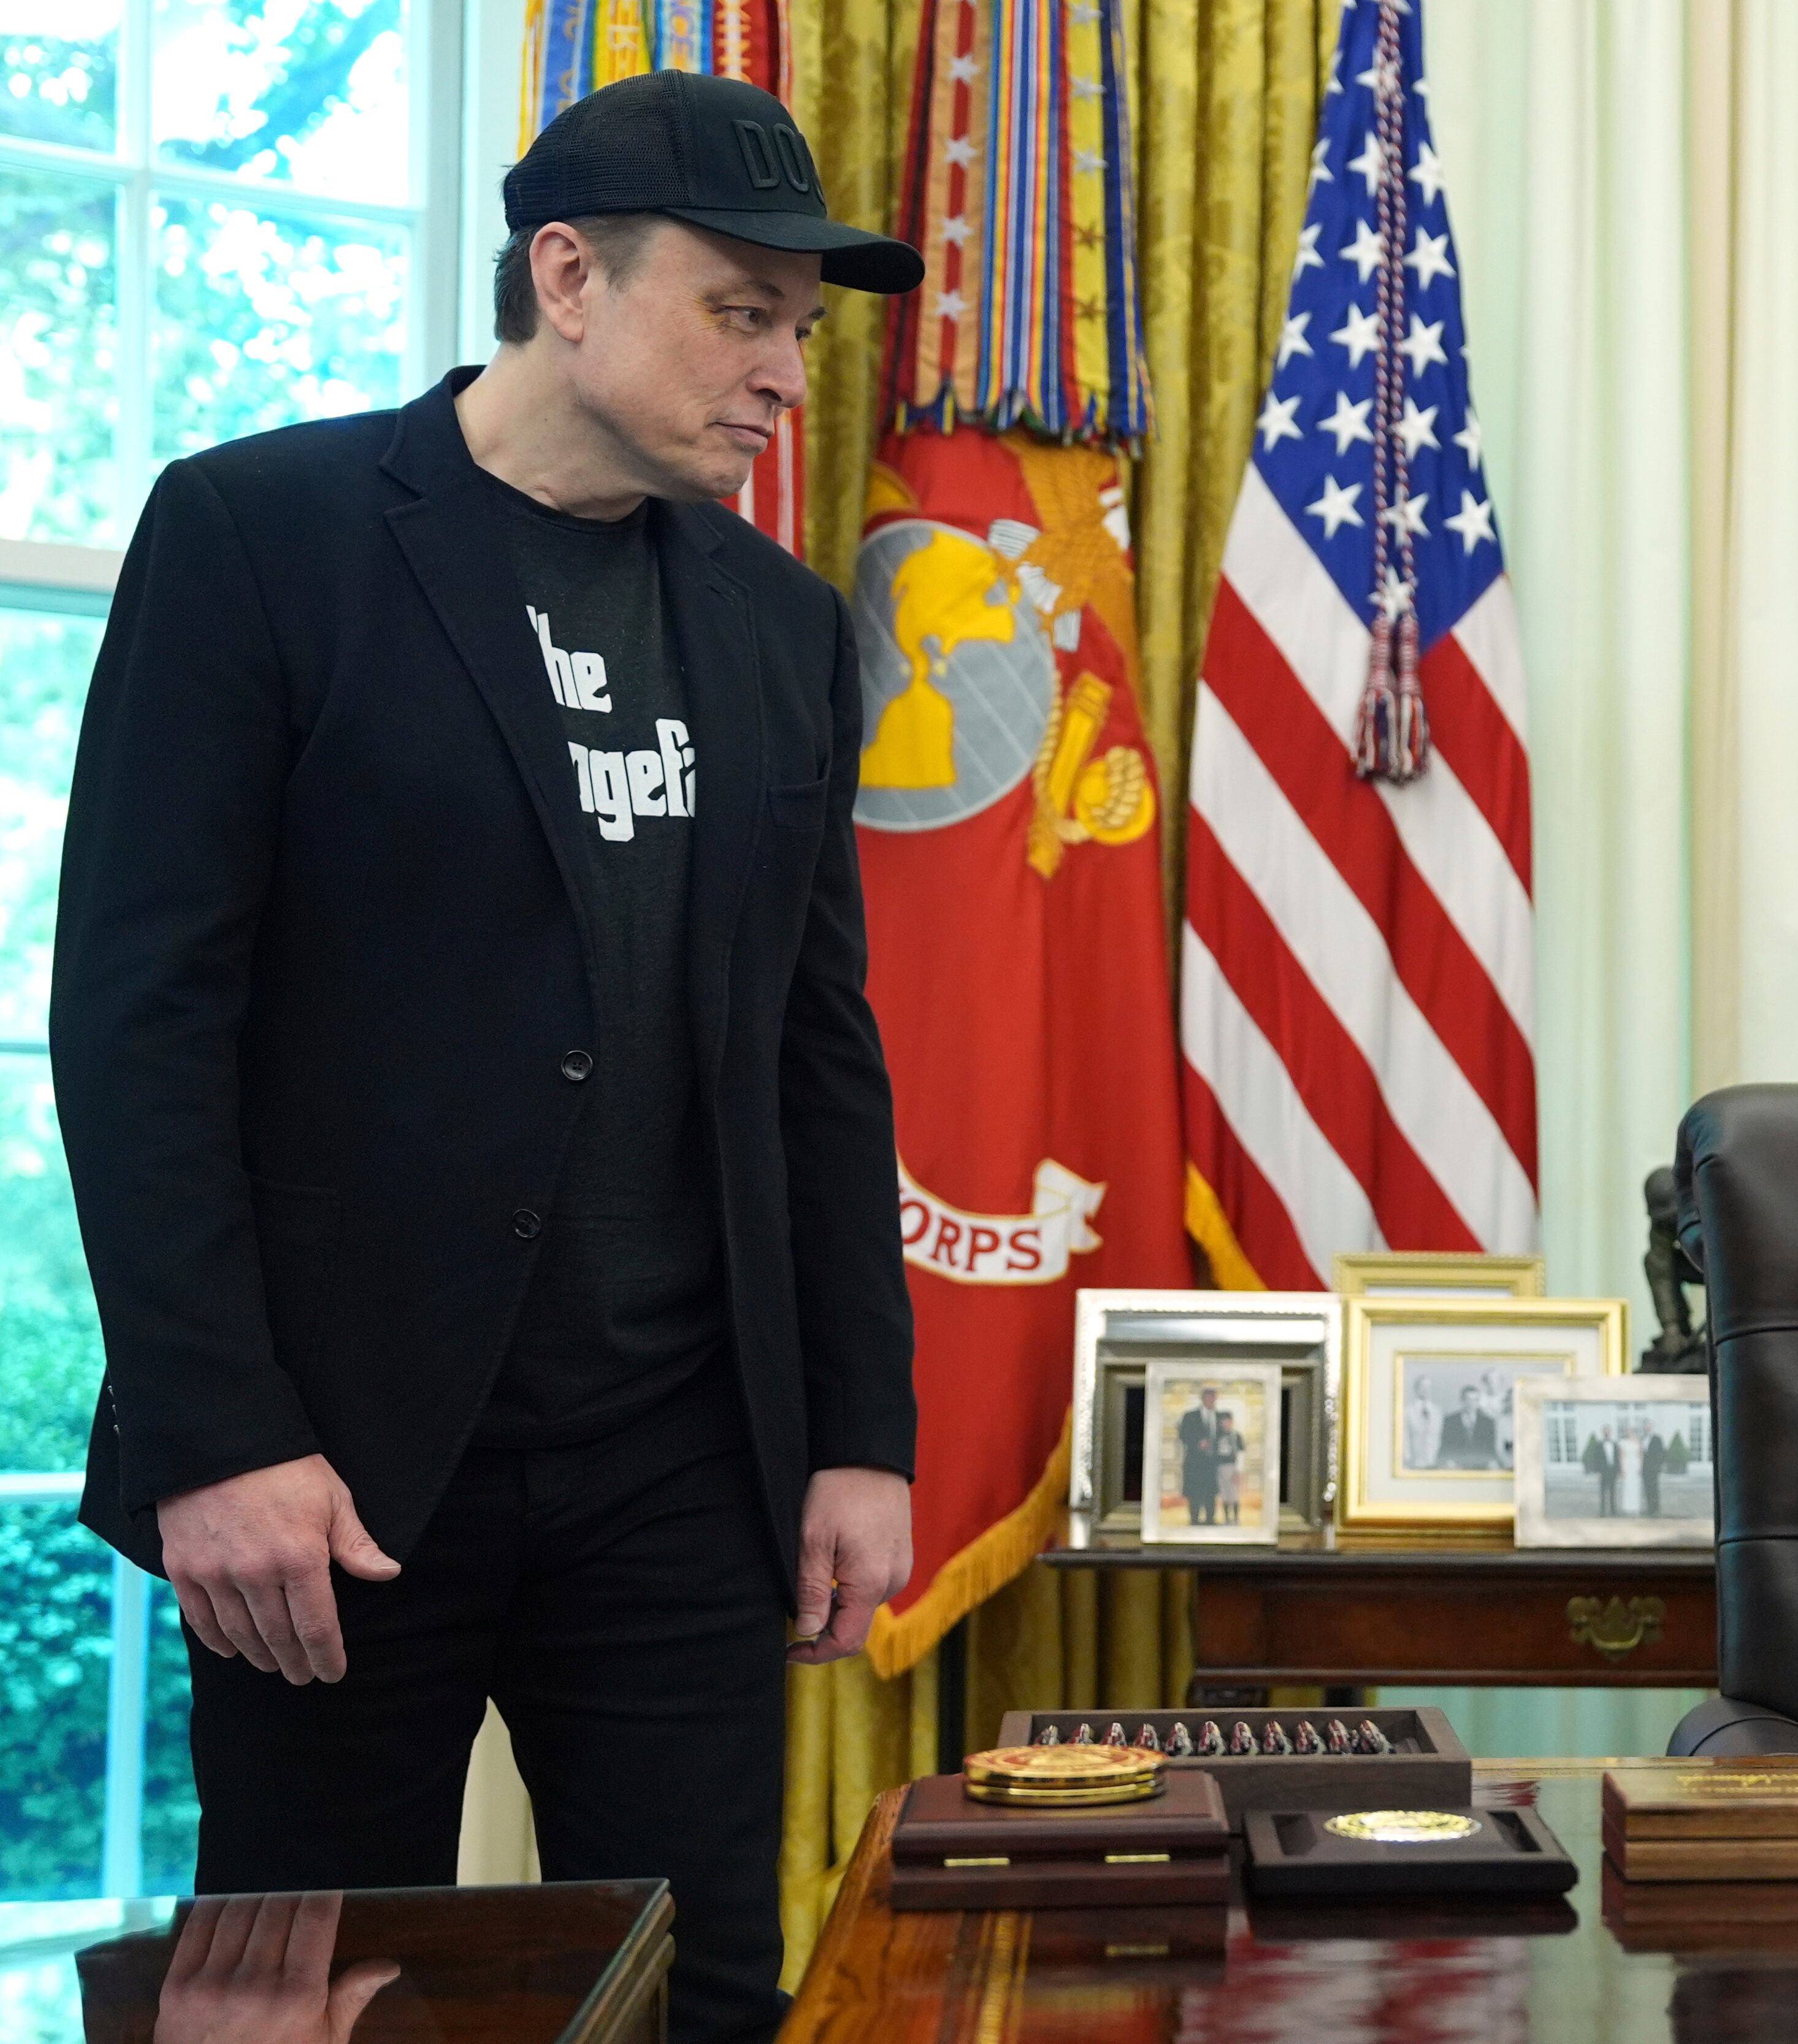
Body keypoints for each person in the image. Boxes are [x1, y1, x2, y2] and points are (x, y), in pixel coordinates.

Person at [52, 72, 925, 2044]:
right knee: (310, 1998)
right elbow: (136, 1017)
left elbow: (816, 1050)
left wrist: (859, 1428)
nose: (787, 370)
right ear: (566, 275)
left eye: (805, 325)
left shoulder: (784, 628)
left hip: (680, 1467)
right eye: (740, 310)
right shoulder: (262, 535)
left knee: (704, 1988)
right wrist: (217, 1435)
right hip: (329, 1475)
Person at [1177, 1388, 1230, 1526]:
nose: (1211, 1401)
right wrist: (1197, 1443)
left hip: (1213, 1463)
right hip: (1195, 1462)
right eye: (1208, 1398)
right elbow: (1183, 1434)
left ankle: (1210, 1519)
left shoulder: (1220, 1417)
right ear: (1203, 1399)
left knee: (1211, 1492)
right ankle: (1194, 1519)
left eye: (1213, 1398)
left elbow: (1225, 1437)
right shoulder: (1190, 1416)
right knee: (1195, 1491)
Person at [1437, 1384, 1501, 1469]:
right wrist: (1448, 1462)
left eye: (1476, 1400)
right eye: (1469, 1399)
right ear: (1462, 1400)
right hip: (1456, 1467)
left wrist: (1492, 1462)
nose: (1472, 1403)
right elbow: (1445, 1447)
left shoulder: (1488, 1422)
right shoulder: (1450, 1421)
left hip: (1482, 1468)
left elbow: (1491, 1449)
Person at [1616, 1422, 1645, 1517]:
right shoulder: (1623, 1442)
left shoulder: (1639, 1442)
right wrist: (1622, 1468)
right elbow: (1621, 1456)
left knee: (1636, 1486)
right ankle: (1627, 1507)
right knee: (1628, 1486)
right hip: (1627, 1464)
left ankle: (1636, 1507)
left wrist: (1641, 1466)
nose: (1629, 1433)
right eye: (1628, 1431)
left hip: (1636, 1464)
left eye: (1631, 1431)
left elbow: (1641, 1455)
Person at [1584, 1425, 1615, 1515]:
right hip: (1603, 1472)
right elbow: (1596, 1460)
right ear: (1603, 1433)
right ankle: (1603, 1511)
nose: (1607, 1433)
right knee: (1603, 1493)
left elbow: (1616, 1459)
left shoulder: (1614, 1444)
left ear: (1611, 1433)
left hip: (1612, 1471)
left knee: (1613, 1492)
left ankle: (1613, 1511)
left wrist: (1618, 1471)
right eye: (1605, 1431)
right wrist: (1598, 1472)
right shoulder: (1599, 1445)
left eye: (1608, 1431)